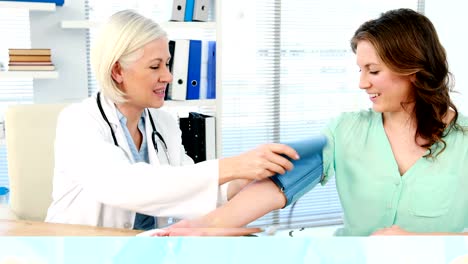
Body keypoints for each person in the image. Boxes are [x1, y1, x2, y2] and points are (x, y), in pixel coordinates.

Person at [169, 8, 468, 236]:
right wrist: (204, 226)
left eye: (373, 71)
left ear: (413, 70)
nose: (362, 83)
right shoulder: (346, 131)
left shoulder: (464, 141)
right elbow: (277, 186)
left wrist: (420, 242)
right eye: (360, 70)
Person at [45, 9, 299, 232]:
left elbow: (188, 187)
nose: (167, 76)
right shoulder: (78, 121)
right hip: (79, 250)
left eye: (167, 64)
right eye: (155, 67)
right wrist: (233, 166)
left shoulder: (163, 123)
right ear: (118, 71)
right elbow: (125, 186)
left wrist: (246, 176)